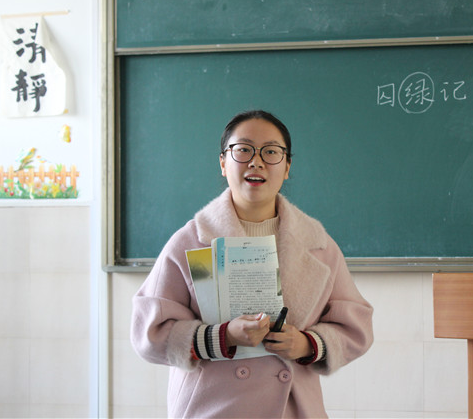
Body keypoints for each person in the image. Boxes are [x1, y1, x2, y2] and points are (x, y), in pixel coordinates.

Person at [131, 110, 374, 418]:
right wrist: (224, 337)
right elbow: (149, 333)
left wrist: (307, 344)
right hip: (212, 409)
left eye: (271, 152)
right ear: (223, 163)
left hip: (293, 410)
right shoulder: (190, 242)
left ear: (287, 167)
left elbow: (356, 328)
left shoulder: (319, 245)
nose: (256, 162)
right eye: (243, 150)